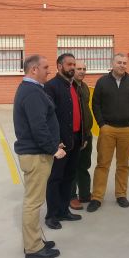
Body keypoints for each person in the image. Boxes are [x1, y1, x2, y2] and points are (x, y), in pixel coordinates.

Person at [13, 55, 66, 258]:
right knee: (33, 203)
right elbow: (38, 127)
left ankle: (34, 239)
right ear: (34, 69)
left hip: (37, 152)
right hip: (35, 155)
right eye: (45, 67)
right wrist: (53, 148)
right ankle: (33, 247)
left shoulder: (33, 90)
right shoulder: (32, 92)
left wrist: (54, 141)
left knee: (33, 201)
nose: (49, 71)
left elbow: (42, 122)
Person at [87, 53, 129, 212]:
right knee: (103, 164)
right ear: (112, 63)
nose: (122, 65)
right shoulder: (102, 82)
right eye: (119, 62)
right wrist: (102, 125)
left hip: (127, 130)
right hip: (108, 129)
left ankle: (121, 195)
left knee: (123, 165)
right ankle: (97, 197)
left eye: (125, 63)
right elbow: (95, 104)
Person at [43, 53, 84, 229]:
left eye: (74, 64)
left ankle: (63, 211)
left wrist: (82, 137)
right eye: (69, 64)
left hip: (75, 139)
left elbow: (79, 113)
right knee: (55, 178)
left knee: (69, 177)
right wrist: (56, 140)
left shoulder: (74, 86)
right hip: (60, 142)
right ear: (60, 66)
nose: (73, 67)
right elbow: (47, 117)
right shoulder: (51, 87)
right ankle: (52, 215)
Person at [70, 61, 94, 210]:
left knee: (84, 166)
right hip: (75, 135)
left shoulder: (84, 87)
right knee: (72, 167)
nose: (82, 71)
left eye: (84, 69)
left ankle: (85, 194)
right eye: (79, 69)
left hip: (86, 134)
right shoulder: (68, 87)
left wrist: (86, 134)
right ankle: (71, 196)